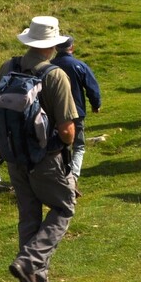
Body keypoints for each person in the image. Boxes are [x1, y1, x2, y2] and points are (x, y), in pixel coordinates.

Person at [0, 16, 78, 282]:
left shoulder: (8, 67)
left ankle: (35, 279)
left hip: (14, 155)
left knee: (29, 213)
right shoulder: (55, 76)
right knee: (64, 207)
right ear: (52, 45)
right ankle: (29, 262)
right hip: (45, 157)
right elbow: (68, 130)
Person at [51, 36, 102, 196]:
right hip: (76, 111)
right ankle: (72, 178)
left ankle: (58, 178)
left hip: (54, 113)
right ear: (72, 48)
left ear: (55, 48)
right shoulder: (79, 65)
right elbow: (92, 87)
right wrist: (96, 104)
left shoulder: (49, 66)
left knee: (58, 146)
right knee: (78, 146)